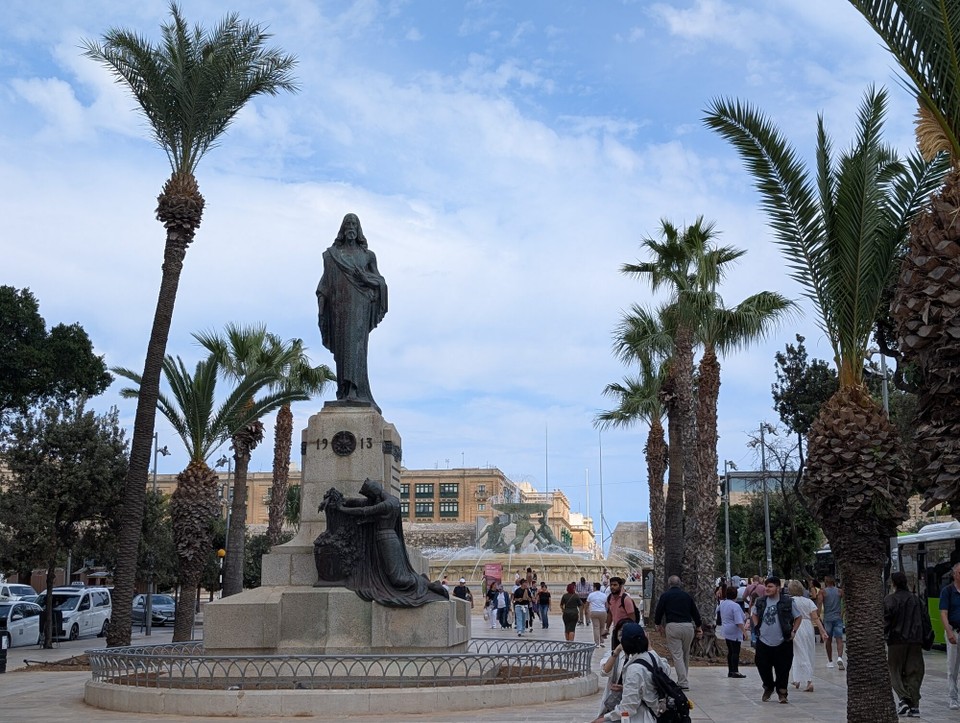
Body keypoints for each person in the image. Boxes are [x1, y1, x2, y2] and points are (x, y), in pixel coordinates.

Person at [318, 480, 447, 606]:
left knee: (398, 580)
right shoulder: (384, 499)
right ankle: (424, 582)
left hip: (387, 540)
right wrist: (338, 499)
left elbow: (364, 511)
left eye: (370, 496)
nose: (369, 499)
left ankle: (428, 585)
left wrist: (341, 509)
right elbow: (359, 503)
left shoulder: (389, 504)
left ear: (375, 493)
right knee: (394, 576)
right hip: (382, 540)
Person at [316, 213, 388, 413]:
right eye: (347, 223)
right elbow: (324, 285)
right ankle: (344, 391)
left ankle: (356, 391)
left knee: (356, 348)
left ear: (358, 229)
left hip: (359, 309)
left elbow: (380, 282)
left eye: (354, 223)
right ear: (342, 228)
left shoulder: (367, 256)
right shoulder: (331, 255)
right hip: (338, 309)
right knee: (342, 351)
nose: (350, 226)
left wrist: (364, 278)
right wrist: (322, 306)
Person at [590, 623, 673, 723]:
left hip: (642, 717)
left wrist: (605, 717)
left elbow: (629, 707)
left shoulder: (634, 669)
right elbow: (665, 670)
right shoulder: (652, 657)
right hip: (657, 714)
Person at [887, 570, 930, 717]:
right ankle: (914, 706)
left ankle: (904, 699)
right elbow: (925, 620)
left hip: (896, 641)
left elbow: (885, 621)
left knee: (895, 671)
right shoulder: (917, 600)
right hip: (915, 641)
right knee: (914, 672)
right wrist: (926, 639)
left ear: (893, 584)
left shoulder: (890, 600)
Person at [753, 576, 801, 704]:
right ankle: (768, 687)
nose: (767, 589)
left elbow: (798, 617)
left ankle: (782, 692)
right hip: (763, 640)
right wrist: (757, 627)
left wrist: (793, 631)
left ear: (778, 588)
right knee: (762, 665)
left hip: (783, 641)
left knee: (783, 668)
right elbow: (754, 613)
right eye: (766, 586)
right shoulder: (760, 601)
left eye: (770, 587)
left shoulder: (788, 602)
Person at [653, 575, 702, 690]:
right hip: (688, 626)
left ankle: (683, 682)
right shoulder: (687, 596)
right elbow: (695, 612)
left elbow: (659, 611)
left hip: (673, 626)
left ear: (669, 584)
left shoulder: (665, 596)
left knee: (677, 655)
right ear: (680, 583)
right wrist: (699, 626)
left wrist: (657, 624)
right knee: (685, 653)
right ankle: (683, 678)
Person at [787, 579, 827, 692]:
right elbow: (815, 617)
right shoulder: (808, 601)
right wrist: (822, 631)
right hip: (808, 626)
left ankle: (809, 681)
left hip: (796, 626)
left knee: (799, 652)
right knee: (807, 651)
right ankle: (797, 679)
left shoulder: (790, 601)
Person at [940, 562, 960, 710]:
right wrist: (949, 632)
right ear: (954, 575)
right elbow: (944, 613)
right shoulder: (947, 591)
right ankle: (953, 698)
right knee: (952, 667)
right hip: (954, 631)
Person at [718, 585, 747, 678]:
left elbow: (717, 610)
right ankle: (735, 671)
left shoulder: (723, 603)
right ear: (736, 595)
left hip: (726, 629)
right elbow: (739, 621)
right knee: (735, 651)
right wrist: (744, 632)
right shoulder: (735, 606)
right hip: (734, 630)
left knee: (730, 651)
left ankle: (730, 670)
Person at [606, 577, 639, 652]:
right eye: (611, 585)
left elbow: (632, 616)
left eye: (615, 585)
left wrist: (631, 631)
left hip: (626, 630)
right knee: (614, 652)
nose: (612, 587)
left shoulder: (626, 599)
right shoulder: (609, 598)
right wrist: (607, 628)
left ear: (620, 586)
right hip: (615, 630)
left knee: (627, 652)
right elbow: (610, 614)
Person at [819, 575, 845, 669]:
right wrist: (842, 613)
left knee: (828, 640)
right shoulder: (839, 591)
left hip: (828, 618)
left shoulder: (823, 592)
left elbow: (820, 603)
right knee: (839, 639)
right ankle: (839, 657)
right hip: (838, 617)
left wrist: (818, 615)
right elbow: (845, 603)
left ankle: (830, 661)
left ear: (826, 582)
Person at [587, 582, 609, 647]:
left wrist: (588, 610)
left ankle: (597, 643)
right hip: (603, 612)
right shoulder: (604, 595)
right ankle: (602, 642)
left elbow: (587, 604)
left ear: (595, 587)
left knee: (596, 627)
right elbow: (607, 605)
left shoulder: (591, 595)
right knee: (602, 627)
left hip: (594, 611)